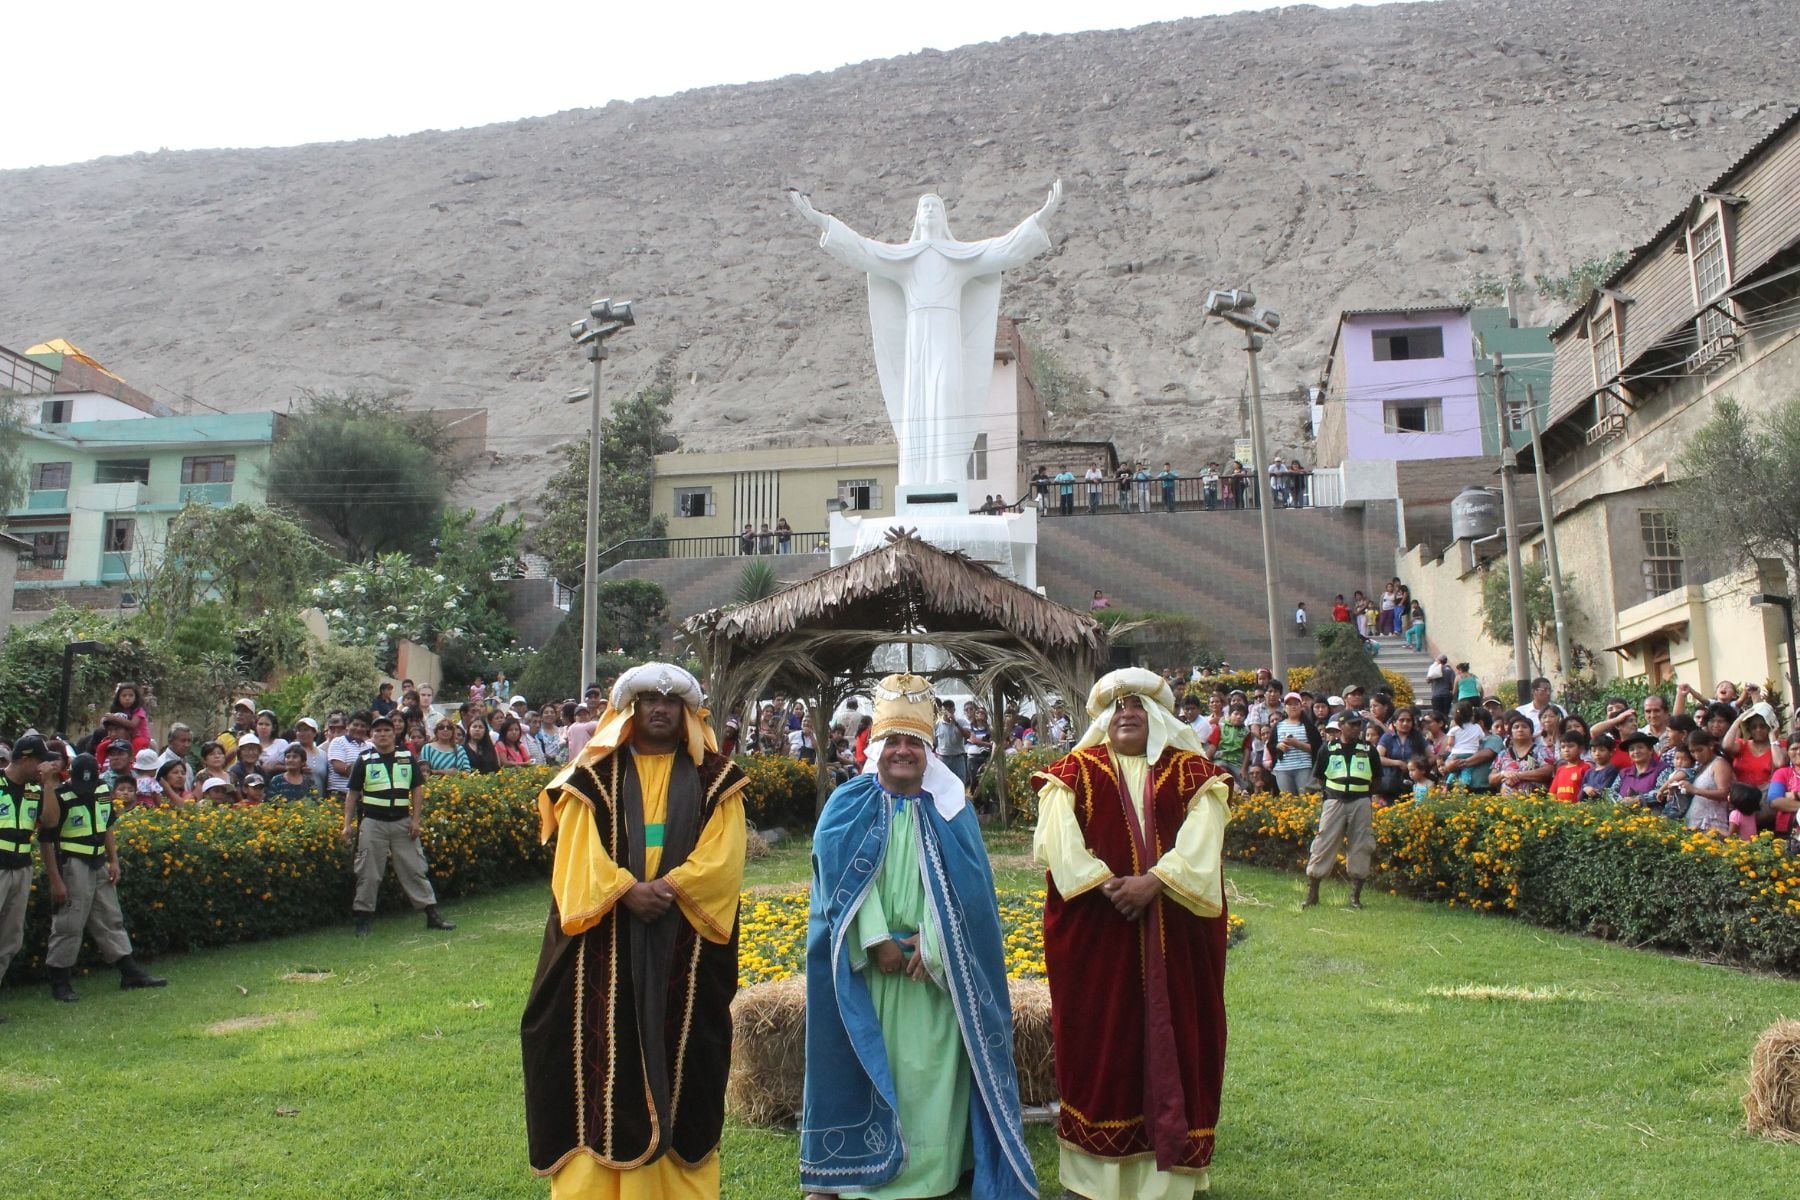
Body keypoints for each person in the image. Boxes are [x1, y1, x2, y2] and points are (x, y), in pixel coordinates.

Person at [802, 673, 1036, 1200]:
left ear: (929, 753)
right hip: (872, 971)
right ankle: (861, 1175)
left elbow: (969, 895)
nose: (903, 751)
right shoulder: (847, 805)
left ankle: (932, 1173)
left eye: (915, 742)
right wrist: (878, 939)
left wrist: (931, 944)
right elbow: (833, 882)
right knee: (869, 1065)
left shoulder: (951, 811)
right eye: (894, 742)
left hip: (933, 971)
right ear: (877, 749)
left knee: (930, 1078)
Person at [522, 663, 748, 1200]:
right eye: (649, 700)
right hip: (601, 946)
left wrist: (666, 888)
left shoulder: (719, 779)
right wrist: (626, 891)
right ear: (630, 709)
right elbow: (576, 854)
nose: (661, 709)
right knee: (594, 1062)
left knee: (686, 1058)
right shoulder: (591, 777)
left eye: (671, 702)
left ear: (689, 714)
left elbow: (723, 860)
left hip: (685, 945)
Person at [1031, 668, 1230, 1200]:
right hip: (1099, 933)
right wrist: (1103, 884)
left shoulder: (1192, 773)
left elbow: (1204, 837)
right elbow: (1058, 840)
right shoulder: (1073, 770)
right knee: (1101, 1041)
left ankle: (1171, 1179)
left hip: (1177, 934)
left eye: (1137, 706)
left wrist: (1155, 882)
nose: (1126, 714)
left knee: (1182, 1035)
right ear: (1102, 719)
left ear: (1158, 717)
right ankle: (1093, 1176)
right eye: (1117, 708)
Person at [42, 753, 166, 1002]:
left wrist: (114, 860)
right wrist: (56, 879)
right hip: (73, 863)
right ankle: (60, 981)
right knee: (69, 923)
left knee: (110, 917)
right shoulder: (61, 795)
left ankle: (129, 972)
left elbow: (107, 825)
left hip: (98, 862)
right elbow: (46, 840)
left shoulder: (100, 789)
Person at [342, 714, 454, 936]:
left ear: (394, 734)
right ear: (371, 736)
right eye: (378, 731)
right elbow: (352, 794)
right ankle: (362, 921)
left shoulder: (405, 756)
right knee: (368, 873)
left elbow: (417, 789)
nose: (382, 734)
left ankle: (432, 915)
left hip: (402, 822)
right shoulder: (364, 759)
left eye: (386, 730)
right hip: (373, 823)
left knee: (414, 868)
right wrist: (347, 825)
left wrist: (415, 820)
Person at [2, 734, 64, 1020]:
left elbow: (50, 822)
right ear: (26, 759)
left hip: (21, 868)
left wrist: (48, 785)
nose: (43, 767)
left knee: (11, 938)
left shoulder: (34, 790)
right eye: (40, 762)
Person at [1305, 714, 1378, 908]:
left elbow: (1376, 778)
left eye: (1358, 725)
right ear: (1341, 726)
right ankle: (1313, 894)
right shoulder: (1327, 749)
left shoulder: (1369, 750)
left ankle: (1355, 897)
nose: (1356, 728)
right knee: (1323, 843)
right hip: (1334, 801)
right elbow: (1319, 777)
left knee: (1362, 845)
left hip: (1361, 801)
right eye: (1352, 725)